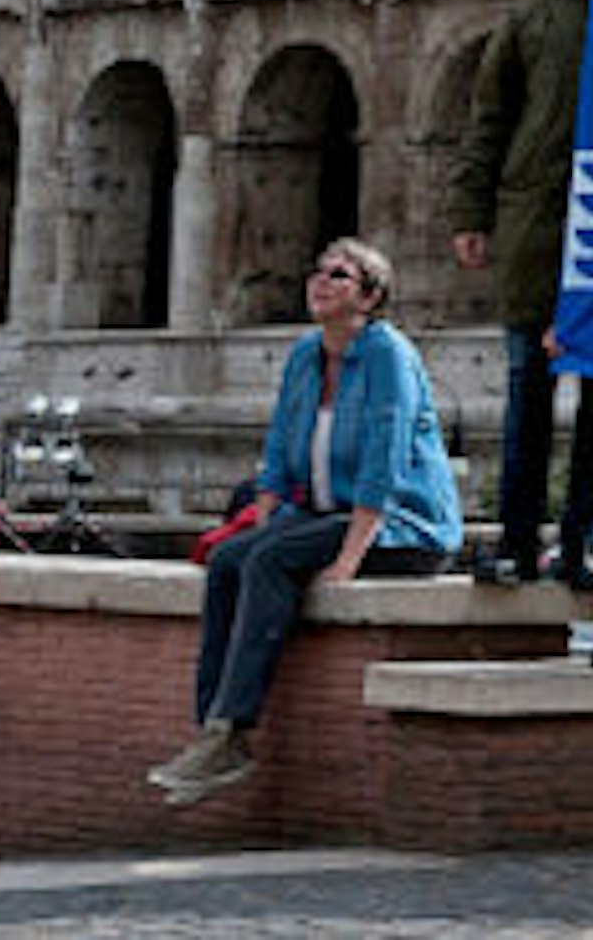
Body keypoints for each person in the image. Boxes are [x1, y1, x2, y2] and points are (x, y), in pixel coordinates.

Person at [150, 238, 462, 805]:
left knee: (269, 559)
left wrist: (347, 561)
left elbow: (382, 465)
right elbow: (278, 453)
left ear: (369, 298)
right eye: (317, 272)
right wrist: (262, 522)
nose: (320, 282)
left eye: (338, 276)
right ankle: (212, 730)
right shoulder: (304, 354)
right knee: (228, 560)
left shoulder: (388, 354)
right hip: (323, 515)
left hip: (399, 529)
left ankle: (235, 728)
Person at [446, 0, 593, 588]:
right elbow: (488, 119)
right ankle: (520, 541)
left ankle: (580, 544)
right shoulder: (533, 16)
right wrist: (471, 210)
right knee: (529, 404)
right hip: (533, 226)